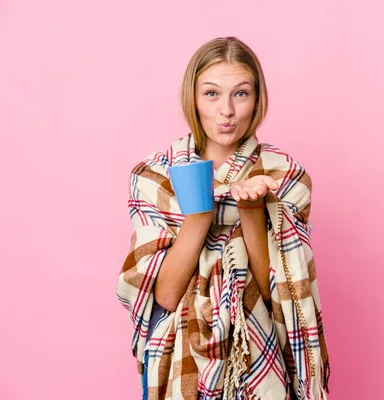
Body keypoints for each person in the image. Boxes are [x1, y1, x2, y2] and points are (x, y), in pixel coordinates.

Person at [116, 36, 330, 400]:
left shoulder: (285, 175)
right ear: (193, 99)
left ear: (257, 99)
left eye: (241, 94)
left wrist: (252, 209)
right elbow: (165, 296)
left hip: (260, 360)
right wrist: (200, 211)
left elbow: (278, 294)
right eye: (212, 94)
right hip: (178, 360)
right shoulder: (155, 175)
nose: (226, 110)